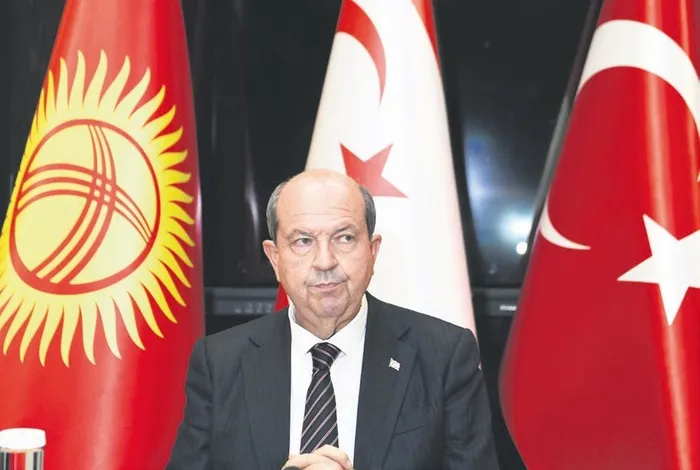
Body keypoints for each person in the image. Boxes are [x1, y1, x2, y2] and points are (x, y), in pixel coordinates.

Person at [167, 169, 499, 470]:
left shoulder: (444, 355)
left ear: (372, 251)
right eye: (303, 241)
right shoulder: (220, 362)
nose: (325, 261)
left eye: (344, 238)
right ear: (275, 258)